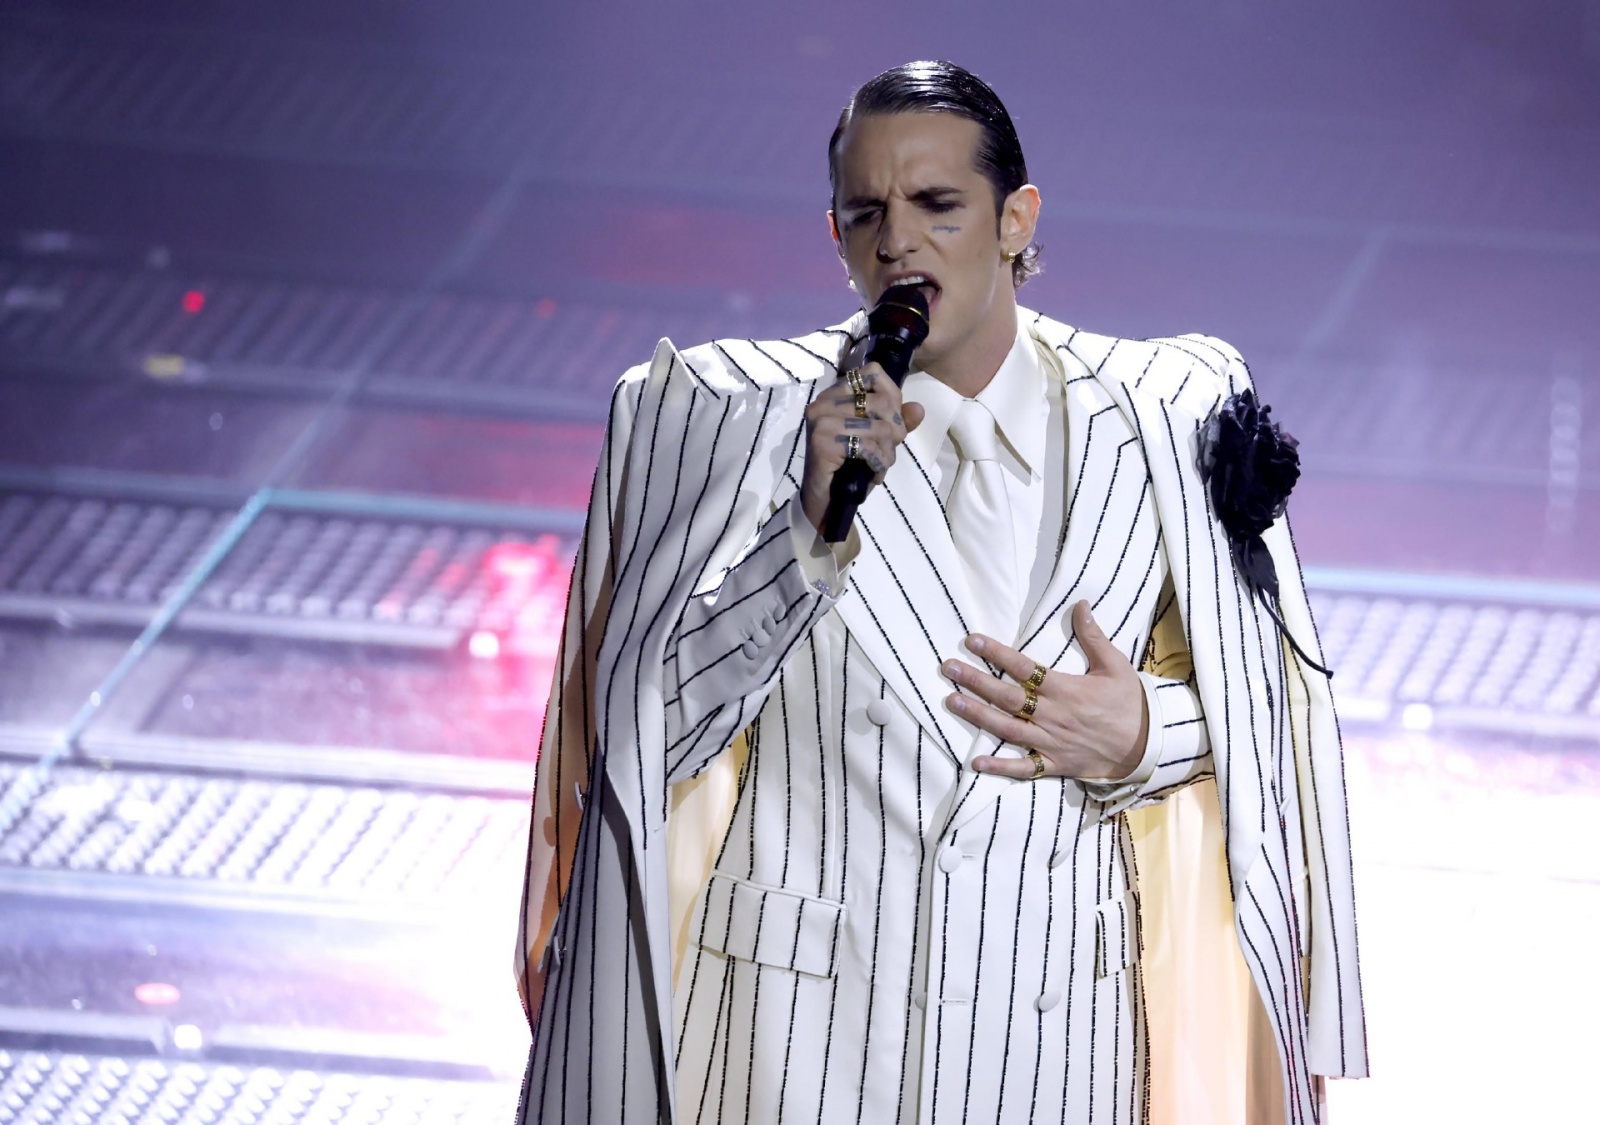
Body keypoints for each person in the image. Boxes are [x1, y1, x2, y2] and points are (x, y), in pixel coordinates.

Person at [513, 60, 1365, 1125]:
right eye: (864, 212)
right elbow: (643, 737)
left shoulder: (1165, 419)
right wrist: (806, 533)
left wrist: (1142, 732)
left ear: (1016, 218)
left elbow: (1277, 710)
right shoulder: (726, 421)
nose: (897, 241)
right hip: (793, 1049)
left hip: (1057, 1039)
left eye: (936, 206)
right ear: (834, 237)